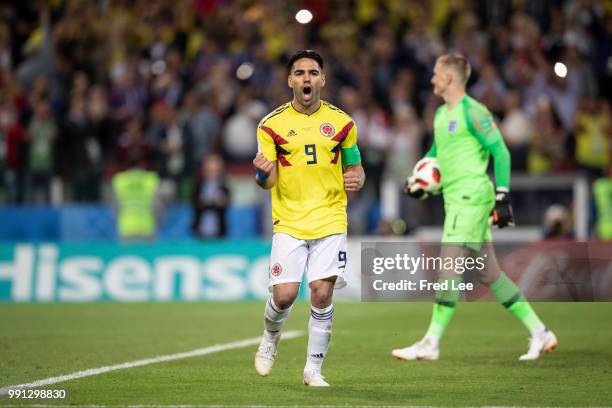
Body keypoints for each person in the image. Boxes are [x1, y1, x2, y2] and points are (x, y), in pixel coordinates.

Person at [393, 53, 557, 361]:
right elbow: (435, 155)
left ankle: (431, 342)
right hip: (454, 198)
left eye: (436, 74)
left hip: (471, 197)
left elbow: (502, 152)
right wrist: (418, 180)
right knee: (489, 273)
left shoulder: (474, 111)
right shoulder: (441, 114)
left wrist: (503, 196)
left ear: (450, 79)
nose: (431, 79)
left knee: (448, 266)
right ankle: (540, 331)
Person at [253, 50, 365, 386]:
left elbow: (355, 168)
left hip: (330, 219)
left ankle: (313, 369)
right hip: (288, 220)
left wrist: (359, 177)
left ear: (322, 79)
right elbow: (267, 181)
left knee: (321, 292)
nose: (306, 78)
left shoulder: (344, 123)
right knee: (284, 295)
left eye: (313, 73)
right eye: (299, 73)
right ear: (290, 80)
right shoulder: (271, 125)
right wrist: (261, 175)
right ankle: (270, 338)